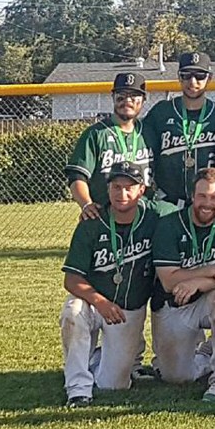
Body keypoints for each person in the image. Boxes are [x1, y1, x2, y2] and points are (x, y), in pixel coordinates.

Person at [59, 162, 159, 407]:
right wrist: (100, 302)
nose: (122, 194)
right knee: (73, 313)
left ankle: (93, 359)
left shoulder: (155, 217)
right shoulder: (92, 221)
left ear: (141, 190)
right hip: (93, 302)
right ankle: (78, 388)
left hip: (127, 309)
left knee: (114, 384)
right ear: (108, 189)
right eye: (116, 187)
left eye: (129, 188)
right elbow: (71, 279)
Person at [151, 167, 215, 402]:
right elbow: (168, 280)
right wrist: (212, 271)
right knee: (176, 377)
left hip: (207, 299)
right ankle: (205, 355)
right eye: (202, 196)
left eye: (214, 197)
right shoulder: (170, 224)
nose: (207, 203)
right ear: (192, 195)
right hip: (174, 304)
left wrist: (197, 283)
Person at [143, 52, 215, 210]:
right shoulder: (161, 112)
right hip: (167, 202)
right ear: (179, 77)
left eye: (199, 76)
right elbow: (145, 156)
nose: (193, 81)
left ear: (209, 78)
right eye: (186, 75)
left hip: (208, 204)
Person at [66, 72, 155, 220]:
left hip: (144, 218)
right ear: (112, 97)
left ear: (144, 99)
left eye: (133, 95)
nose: (127, 100)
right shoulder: (95, 134)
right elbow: (77, 176)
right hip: (106, 216)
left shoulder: (149, 133)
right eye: (121, 95)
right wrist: (86, 204)